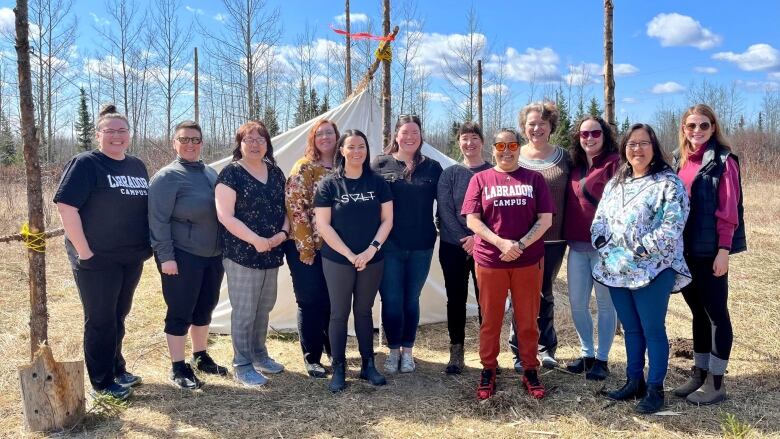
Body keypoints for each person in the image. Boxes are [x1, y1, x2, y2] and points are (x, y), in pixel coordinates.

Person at [54, 103, 151, 400]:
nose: (117, 136)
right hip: (96, 259)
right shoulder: (86, 164)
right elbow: (66, 206)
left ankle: (117, 367)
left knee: (119, 315)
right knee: (100, 319)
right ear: (98, 135)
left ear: (129, 135)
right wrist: (84, 251)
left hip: (129, 257)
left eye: (122, 131)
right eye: (110, 131)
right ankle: (102, 382)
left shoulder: (136, 166)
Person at [592, 123, 691, 414]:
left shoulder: (667, 183)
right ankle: (634, 380)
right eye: (632, 144)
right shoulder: (616, 183)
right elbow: (599, 221)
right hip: (617, 269)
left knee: (652, 330)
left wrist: (637, 250)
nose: (637, 149)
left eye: (643, 143)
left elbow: (672, 226)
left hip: (653, 269)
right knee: (632, 330)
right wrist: (606, 246)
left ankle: (655, 388)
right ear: (625, 148)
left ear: (654, 147)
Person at [462, 128, 554, 400]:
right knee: (491, 319)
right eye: (500, 146)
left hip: (527, 260)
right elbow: (473, 220)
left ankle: (530, 369)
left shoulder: (534, 179)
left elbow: (545, 218)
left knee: (527, 319)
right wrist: (502, 243)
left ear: (519, 147)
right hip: (491, 260)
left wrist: (520, 244)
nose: (506, 151)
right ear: (493, 149)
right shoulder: (480, 179)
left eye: (512, 145)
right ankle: (489, 368)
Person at [672, 104, 746, 405]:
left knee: (716, 314)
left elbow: (728, 211)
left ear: (713, 127)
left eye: (704, 125)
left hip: (710, 251)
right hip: (686, 251)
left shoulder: (724, 162)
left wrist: (724, 251)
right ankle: (699, 373)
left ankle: (717, 383)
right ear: (683, 129)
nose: (697, 131)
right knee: (697, 313)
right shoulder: (680, 161)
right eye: (691, 126)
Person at [148, 120, 226, 390]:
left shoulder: (209, 173)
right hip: (182, 256)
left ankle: (200, 355)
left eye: (195, 139)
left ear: (202, 143)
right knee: (181, 310)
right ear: (175, 143)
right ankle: (178, 366)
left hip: (212, 255)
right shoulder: (167, 177)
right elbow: (157, 221)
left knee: (205, 307)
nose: (190, 144)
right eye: (184, 139)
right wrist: (166, 257)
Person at [314, 129, 393, 392]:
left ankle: (368, 365)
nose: (357, 151)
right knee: (338, 313)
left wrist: (371, 250)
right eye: (351, 147)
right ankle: (339, 367)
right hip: (337, 259)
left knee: (363, 310)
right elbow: (324, 225)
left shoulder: (378, 183)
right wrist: (349, 254)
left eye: (362, 146)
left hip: (372, 258)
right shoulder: (329, 184)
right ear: (342, 151)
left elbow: (387, 220)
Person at [215, 120, 289, 387]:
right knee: (245, 310)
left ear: (267, 144)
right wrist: (255, 239)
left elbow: (287, 209)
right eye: (249, 140)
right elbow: (225, 215)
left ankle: (259, 354)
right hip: (242, 254)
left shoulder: (276, 172)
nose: (255, 144)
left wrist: (282, 234)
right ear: (240, 144)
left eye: (261, 139)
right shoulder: (231, 174)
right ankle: (242, 363)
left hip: (271, 251)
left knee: (264, 307)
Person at [371, 115, 443, 374]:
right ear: (396, 136)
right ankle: (392, 351)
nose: (410, 137)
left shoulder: (433, 168)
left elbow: (444, 205)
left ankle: (408, 351)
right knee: (391, 299)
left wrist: (446, 229)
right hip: (389, 246)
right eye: (405, 132)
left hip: (421, 245)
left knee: (411, 299)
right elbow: (369, 202)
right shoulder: (380, 164)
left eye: (415, 132)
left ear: (421, 136)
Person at [509, 101, 570, 370]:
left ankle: (546, 348)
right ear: (524, 127)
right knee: (518, 295)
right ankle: (519, 349)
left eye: (542, 124)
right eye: (531, 124)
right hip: (517, 239)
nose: (536, 128)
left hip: (553, 238)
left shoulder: (565, 157)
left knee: (544, 293)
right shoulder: (513, 154)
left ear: (550, 127)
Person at [562, 116, 620, 380]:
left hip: (605, 248)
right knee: (577, 303)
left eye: (595, 133)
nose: (589, 138)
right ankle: (587, 353)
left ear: (604, 135)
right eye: (584, 134)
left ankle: (603, 358)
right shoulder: (573, 166)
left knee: (606, 306)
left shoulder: (615, 164)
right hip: (576, 245)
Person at [284, 119, 340, 378]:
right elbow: (296, 209)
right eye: (320, 134)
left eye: (330, 133)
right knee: (310, 301)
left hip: (337, 249)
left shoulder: (344, 168)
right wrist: (306, 248)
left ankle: (333, 350)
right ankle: (312, 357)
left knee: (332, 301)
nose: (326, 137)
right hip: (306, 248)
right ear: (313, 139)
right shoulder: (304, 167)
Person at [436, 122, 492, 374]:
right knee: (455, 299)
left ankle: (488, 354)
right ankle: (456, 352)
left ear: (482, 141)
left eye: (474, 138)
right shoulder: (450, 174)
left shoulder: (494, 172)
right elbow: (445, 211)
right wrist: (464, 238)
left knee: (487, 301)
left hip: (487, 248)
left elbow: (496, 213)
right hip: (453, 245)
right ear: (458, 142)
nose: (469, 143)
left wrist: (478, 239)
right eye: (464, 138)